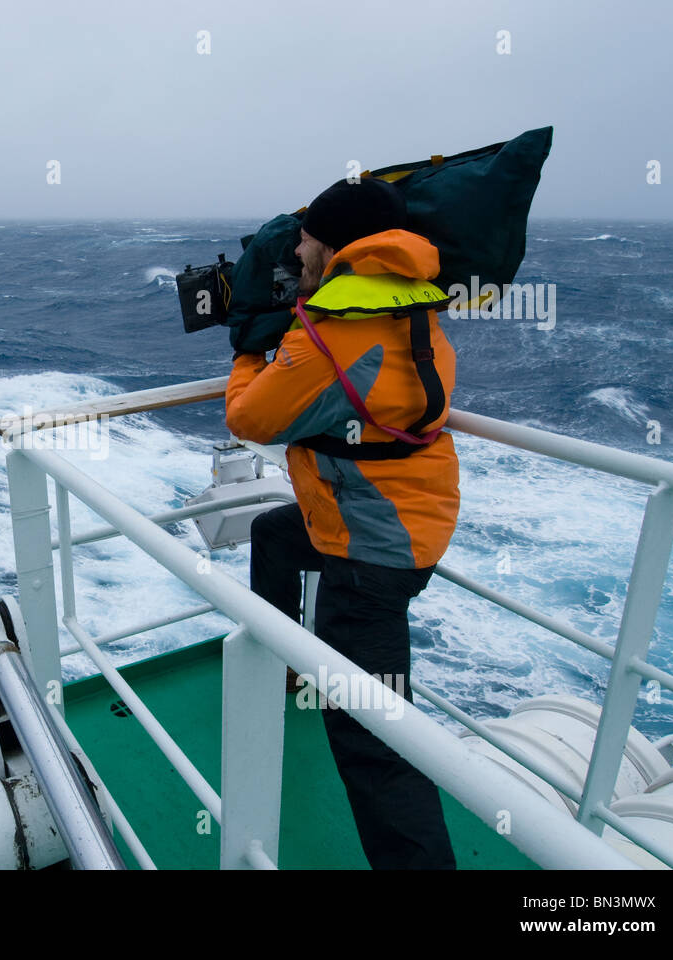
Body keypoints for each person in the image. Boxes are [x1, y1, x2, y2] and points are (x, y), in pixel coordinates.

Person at [225, 177, 459, 869]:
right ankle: (287, 667)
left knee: (373, 740)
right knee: (274, 535)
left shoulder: (334, 332)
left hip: (372, 548)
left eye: (303, 238)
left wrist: (248, 349)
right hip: (409, 513)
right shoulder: (408, 299)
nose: (295, 250)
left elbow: (250, 419)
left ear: (332, 244)